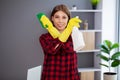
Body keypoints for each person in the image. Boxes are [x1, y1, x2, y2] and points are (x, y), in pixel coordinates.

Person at [39, 4, 80, 80]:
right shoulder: (44, 38)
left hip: (70, 76)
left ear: (68, 19)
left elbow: (70, 48)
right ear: (52, 18)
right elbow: (52, 49)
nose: (60, 21)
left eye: (64, 17)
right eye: (57, 17)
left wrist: (68, 31)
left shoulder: (74, 35)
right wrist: (62, 32)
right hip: (51, 76)